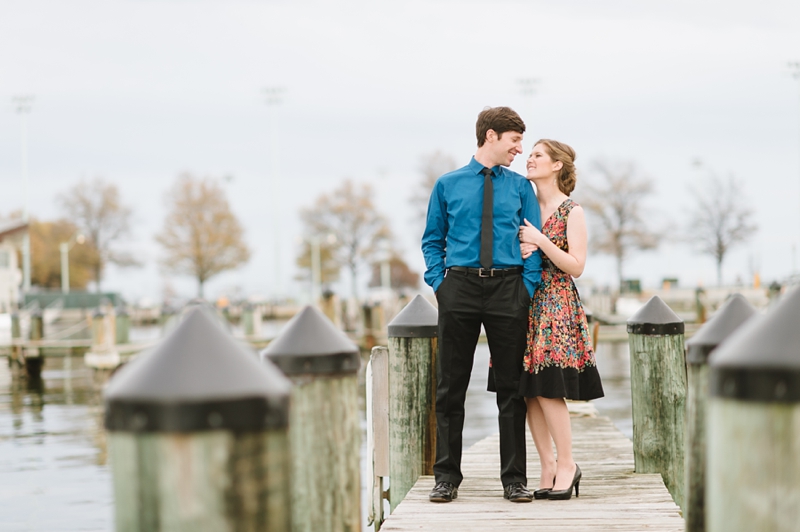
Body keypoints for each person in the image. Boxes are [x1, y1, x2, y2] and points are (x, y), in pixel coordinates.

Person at [422, 106, 542, 504]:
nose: (519, 149)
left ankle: (514, 480)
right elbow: (431, 240)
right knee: (450, 387)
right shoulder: (447, 184)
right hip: (459, 290)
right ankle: (446, 478)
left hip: (509, 290)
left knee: (511, 390)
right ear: (491, 136)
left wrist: (525, 287)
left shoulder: (521, 187)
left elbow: (533, 242)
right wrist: (441, 284)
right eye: (514, 141)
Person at [517, 139, 604, 501]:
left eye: (537, 154)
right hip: (524, 302)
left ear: (556, 165)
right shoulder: (526, 205)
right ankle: (547, 465)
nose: (529, 159)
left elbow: (577, 266)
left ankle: (567, 464)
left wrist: (540, 241)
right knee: (527, 392)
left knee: (551, 388)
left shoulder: (572, 211)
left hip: (556, 303)